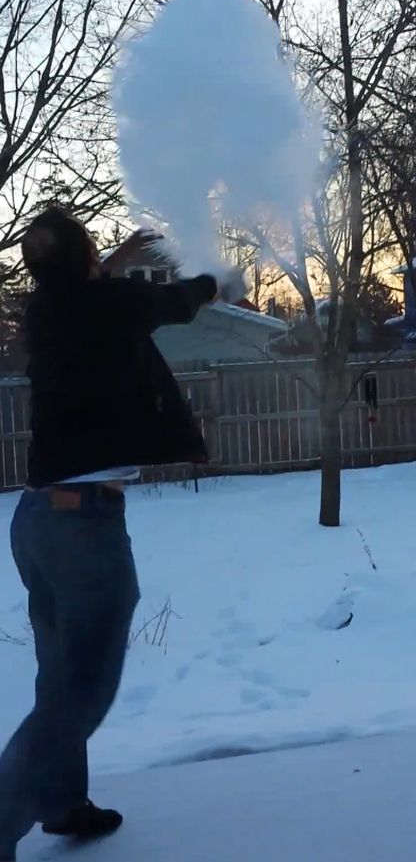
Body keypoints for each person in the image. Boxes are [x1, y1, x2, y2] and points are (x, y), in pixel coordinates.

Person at [0, 208, 240, 861]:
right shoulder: (106, 304)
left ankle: (63, 804)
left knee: (58, 679)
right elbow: (181, 300)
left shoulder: (46, 313)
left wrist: (99, 264)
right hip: (84, 528)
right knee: (82, 692)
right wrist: (217, 278)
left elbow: (104, 296)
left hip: (37, 523)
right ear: (84, 260)